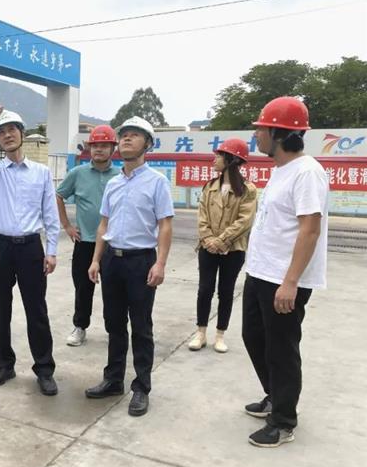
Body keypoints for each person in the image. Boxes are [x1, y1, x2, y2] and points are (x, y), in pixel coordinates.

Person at [241, 96, 328, 448]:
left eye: (261, 129)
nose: (256, 135)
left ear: (278, 133)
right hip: (260, 273)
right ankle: (274, 395)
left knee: (281, 348)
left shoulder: (307, 172)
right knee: (253, 336)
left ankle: (283, 421)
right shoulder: (281, 170)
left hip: (284, 279)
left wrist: (291, 282)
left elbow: (310, 229)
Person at [86, 116, 173, 417]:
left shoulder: (157, 182)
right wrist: (96, 259)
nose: (126, 139)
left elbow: (165, 225)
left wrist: (160, 263)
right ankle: (113, 380)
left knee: (141, 326)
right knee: (113, 323)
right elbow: (104, 224)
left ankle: (141, 387)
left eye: (134, 135)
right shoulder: (113, 183)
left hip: (141, 261)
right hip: (112, 260)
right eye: (123, 135)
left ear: (148, 144)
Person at [0, 104, 60, 396]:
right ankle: (4, 364)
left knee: (37, 310)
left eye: (12, 130)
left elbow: (50, 214)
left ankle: (44, 369)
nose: (7, 135)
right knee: (1, 308)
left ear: (22, 134)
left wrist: (51, 250)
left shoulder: (41, 173)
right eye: (2, 132)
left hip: (30, 248)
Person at [189, 138, 257, 353]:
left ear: (232, 160)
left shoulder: (248, 189)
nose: (214, 159)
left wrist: (222, 240)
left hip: (233, 249)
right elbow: (202, 217)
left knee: (226, 291)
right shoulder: (210, 186)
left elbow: (245, 220)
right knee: (204, 289)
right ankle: (200, 333)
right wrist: (209, 239)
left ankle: (220, 334)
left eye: (219, 155)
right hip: (207, 247)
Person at [56, 125, 120, 347]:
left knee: (113, 290)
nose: (98, 149)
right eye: (95, 145)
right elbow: (59, 195)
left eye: (104, 145)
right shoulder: (78, 173)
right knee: (83, 289)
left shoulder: (120, 176)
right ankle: (80, 327)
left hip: (112, 244)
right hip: (85, 243)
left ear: (113, 148)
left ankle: (114, 330)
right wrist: (67, 226)